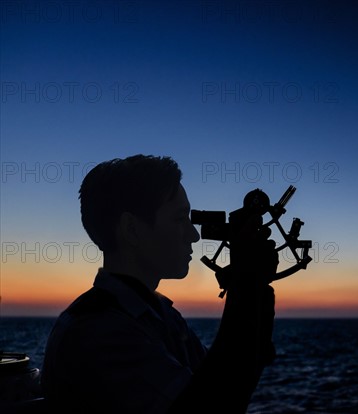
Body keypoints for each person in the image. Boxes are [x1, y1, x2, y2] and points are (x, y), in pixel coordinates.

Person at [41, 154, 278, 413]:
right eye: (179, 219)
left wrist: (253, 289)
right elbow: (212, 406)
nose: (194, 235)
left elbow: (229, 384)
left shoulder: (160, 315)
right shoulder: (97, 332)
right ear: (132, 230)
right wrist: (246, 286)